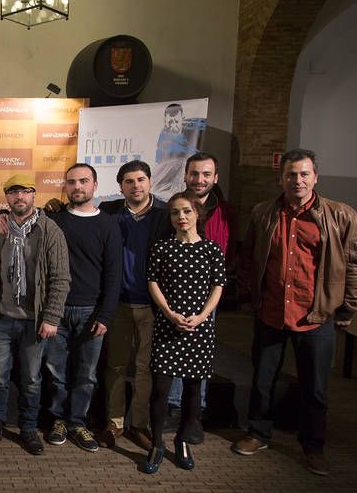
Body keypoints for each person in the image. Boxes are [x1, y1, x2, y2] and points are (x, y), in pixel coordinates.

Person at [232, 148, 357, 476]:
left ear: (315, 177)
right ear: (281, 179)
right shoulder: (263, 213)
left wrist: (348, 307)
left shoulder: (341, 215)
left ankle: (313, 446)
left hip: (315, 315)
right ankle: (258, 433)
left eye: (304, 174)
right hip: (271, 312)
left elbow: (354, 265)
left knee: (314, 386)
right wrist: (248, 296)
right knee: (263, 379)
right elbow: (248, 259)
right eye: (291, 174)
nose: (298, 180)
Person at [0, 174, 70, 455]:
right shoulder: (2, 228)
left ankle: (28, 428)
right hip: (1, 317)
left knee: (31, 379)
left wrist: (51, 317)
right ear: (6, 197)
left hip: (34, 321)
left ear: (33, 195)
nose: (20, 197)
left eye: (25, 192)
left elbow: (61, 278)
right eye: (14, 192)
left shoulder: (50, 230)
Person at [141, 191, 226, 473]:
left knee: (192, 389)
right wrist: (168, 313)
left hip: (199, 330)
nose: (181, 217)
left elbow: (218, 286)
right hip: (168, 326)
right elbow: (153, 282)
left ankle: (182, 440)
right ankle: (157, 444)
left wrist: (202, 317)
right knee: (160, 390)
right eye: (175, 212)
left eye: (187, 211)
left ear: (197, 214)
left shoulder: (212, 250)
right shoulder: (162, 248)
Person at [43, 164, 122, 452]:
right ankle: (57, 420)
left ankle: (77, 422)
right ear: (65, 186)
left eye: (84, 181)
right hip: (57, 311)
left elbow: (114, 274)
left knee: (86, 374)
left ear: (95, 185)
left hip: (91, 312)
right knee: (56, 371)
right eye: (72, 182)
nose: (78, 186)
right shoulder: (54, 220)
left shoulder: (108, 224)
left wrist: (105, 315)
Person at [97, 160, 172, 451]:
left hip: (153, 306)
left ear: (150, 182)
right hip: (118, 304)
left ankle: (139, 424)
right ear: (120, 187)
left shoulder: (166, 214)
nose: (136, 186)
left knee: (144, 368)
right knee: (115, 366)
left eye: (141, 179)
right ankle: (114, 423)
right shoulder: (109, 212)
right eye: (129, 181)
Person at [166, 151, 235, 443]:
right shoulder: (174, 208)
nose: (199, 179)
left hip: (208, 297)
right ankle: (173, 407)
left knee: (201, 355)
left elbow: (231, 252)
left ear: (215, 178)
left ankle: (196, 413)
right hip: (175, 296)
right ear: (185, 176)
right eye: (194, 173)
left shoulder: (226, 212)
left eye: (206, 174)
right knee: (173, 350)